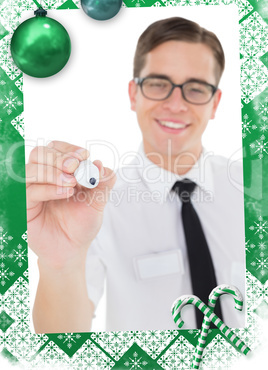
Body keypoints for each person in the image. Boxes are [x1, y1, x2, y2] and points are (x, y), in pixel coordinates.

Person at [26, 17, 245, 333]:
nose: (175, 104)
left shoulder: (253, 192)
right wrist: (60, 264)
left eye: (196, 88)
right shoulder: (94, 206)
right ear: (134, 94)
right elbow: (63, 340)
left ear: (215, 103)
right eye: (158, 83)